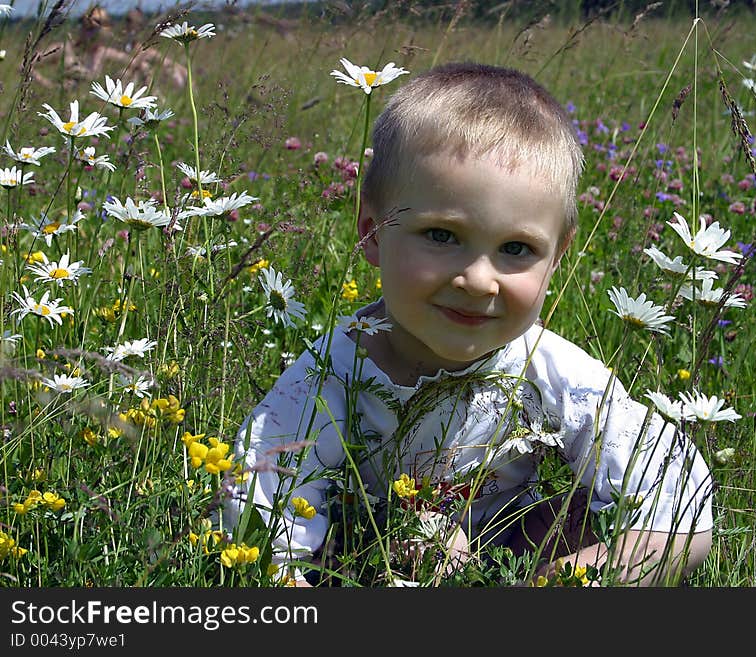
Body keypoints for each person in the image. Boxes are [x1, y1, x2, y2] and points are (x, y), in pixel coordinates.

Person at [224, 62, 714, 587]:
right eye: (441, 235)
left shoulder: (549, 370)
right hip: (355, 559)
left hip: (511, 562)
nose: (480, 281)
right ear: (371, 232)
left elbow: (681, 503)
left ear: (556, 259)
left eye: (516, 249)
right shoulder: (329, 378)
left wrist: (564, 580)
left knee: (573, 519)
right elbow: (255, 517)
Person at [32, 4, 186, 91]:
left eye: (98, 26)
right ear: (81, 26)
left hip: (93, 112)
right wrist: (49, 86)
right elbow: (25, 66)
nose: (92, 32)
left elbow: (136, 62)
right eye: (88, 25)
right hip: (61, 110)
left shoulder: (104, 53)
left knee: (139, 70)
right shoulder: (63, 49)